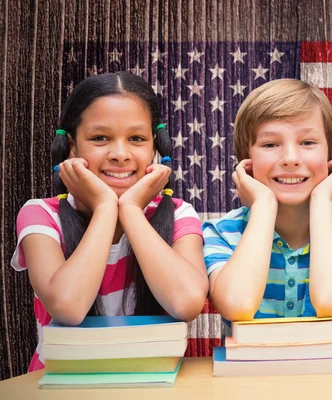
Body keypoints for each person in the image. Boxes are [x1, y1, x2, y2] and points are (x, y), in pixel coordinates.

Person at [11, 72, 209, 371]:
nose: (119, 154)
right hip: (61, 385)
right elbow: (69, 307)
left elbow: (187, 302)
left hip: (156, 383)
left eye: (136, 139)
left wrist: (130, 210)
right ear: (72, 147)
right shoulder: (41, 214)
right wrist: (105, 207)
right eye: (100, 138)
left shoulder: (180, 214)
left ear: (154, 148)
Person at [202, 79, 332, 335]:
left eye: (307, 143)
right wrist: (262, 205)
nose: (291, 159)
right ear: (246, 161)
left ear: (331, 157)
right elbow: (236, 305)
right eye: (270, 145)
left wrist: (322, 202)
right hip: (246, 374)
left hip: (331, 374)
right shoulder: (221, 233)